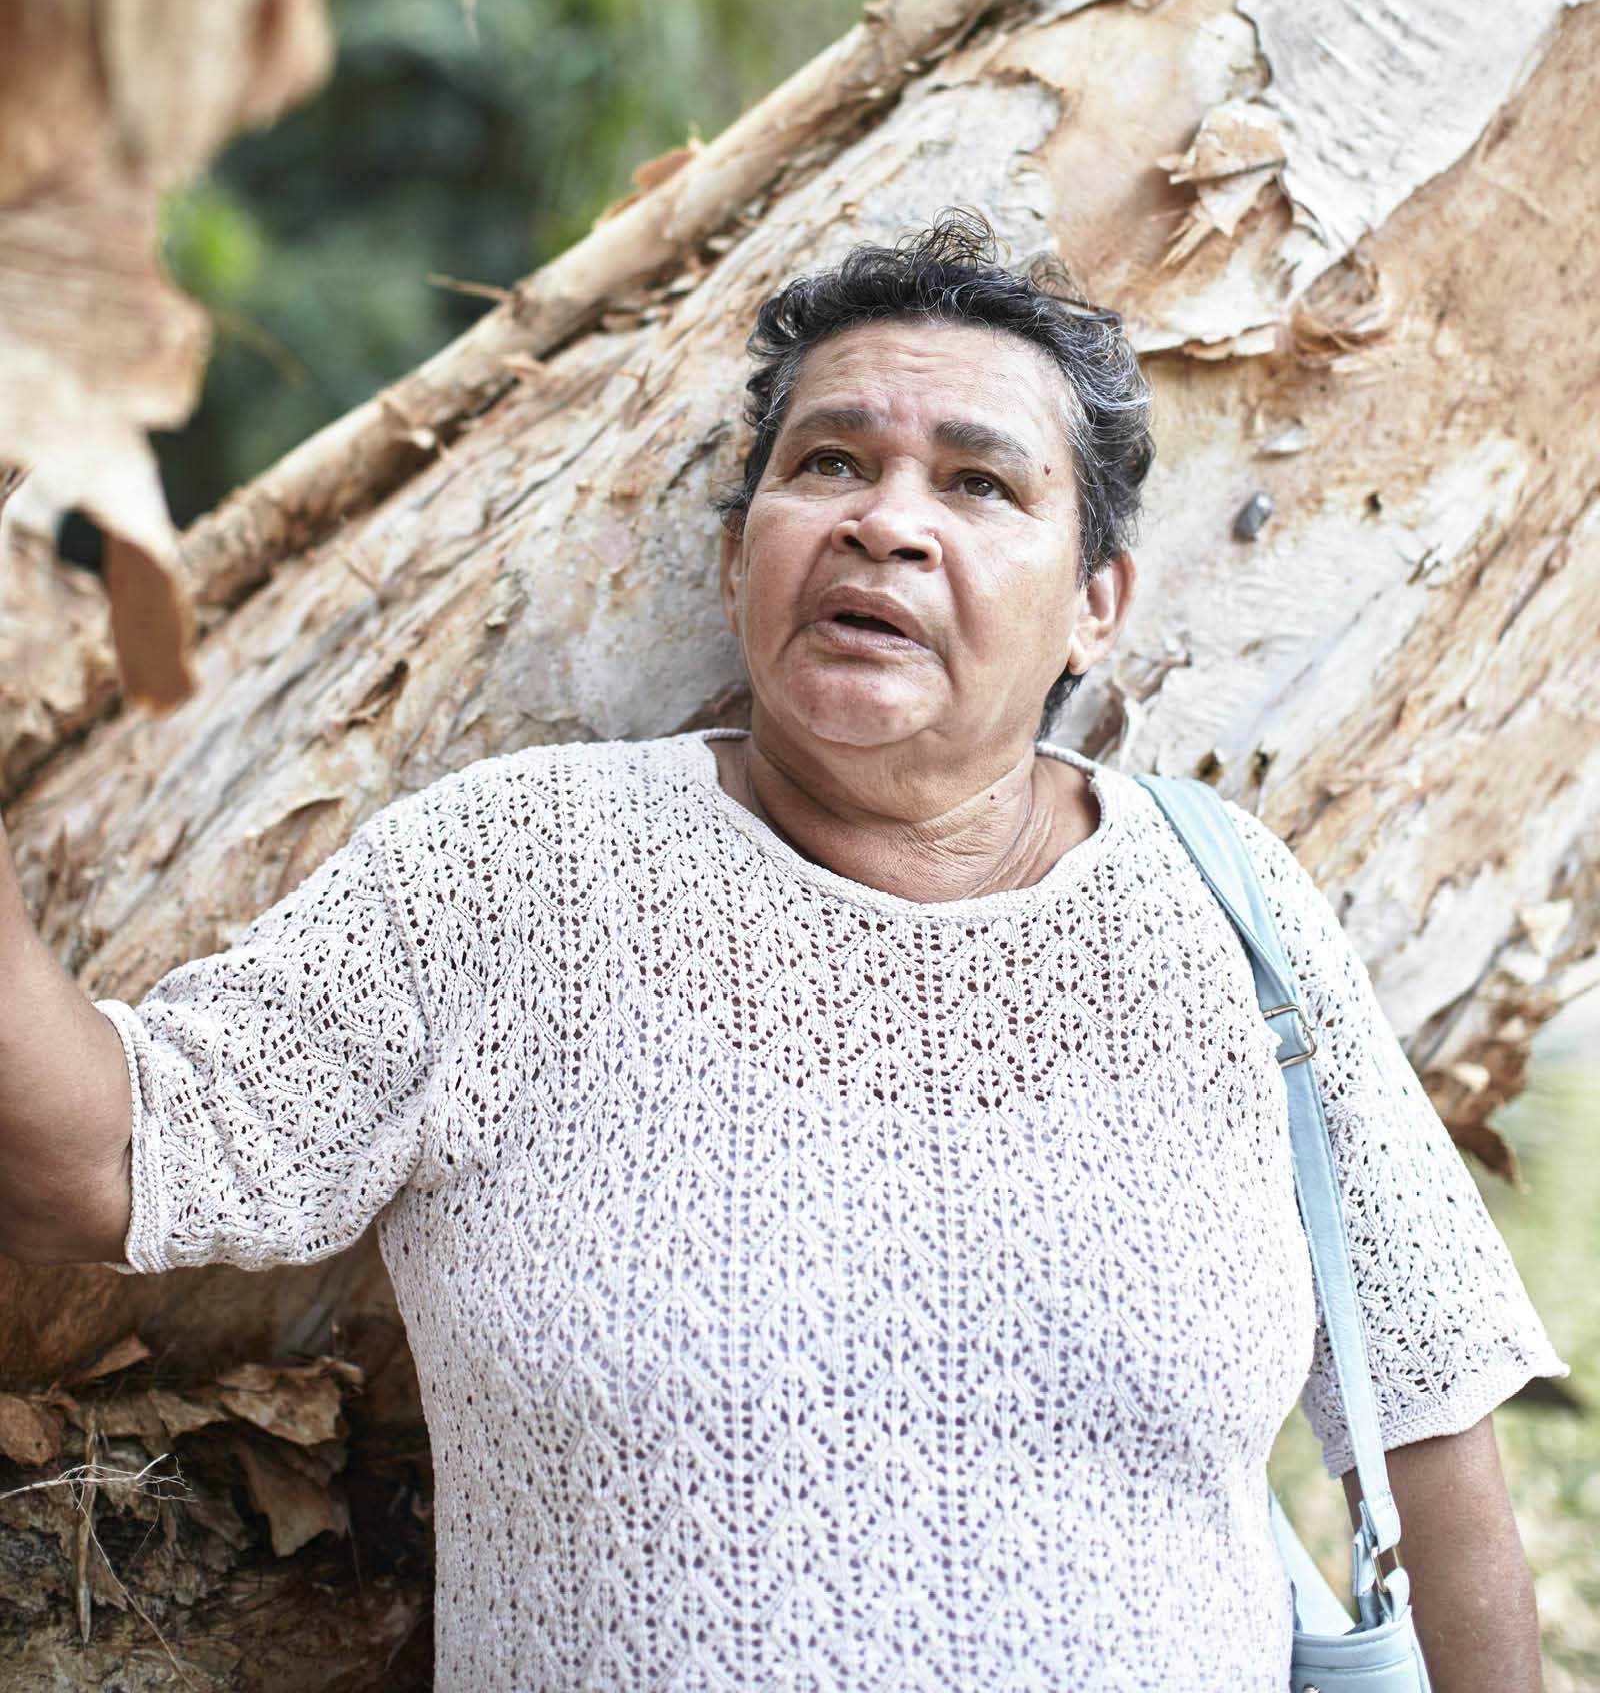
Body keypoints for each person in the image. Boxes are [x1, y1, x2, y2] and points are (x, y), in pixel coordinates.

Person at [0, 216, 1564, 1693]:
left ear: (1097, 606)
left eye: (980, 485)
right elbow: (96, 1161)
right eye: (831, 464)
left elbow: (1427, 1427)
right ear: (740, 551)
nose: (887, 520)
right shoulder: (514, 876)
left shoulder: (1235, 918)